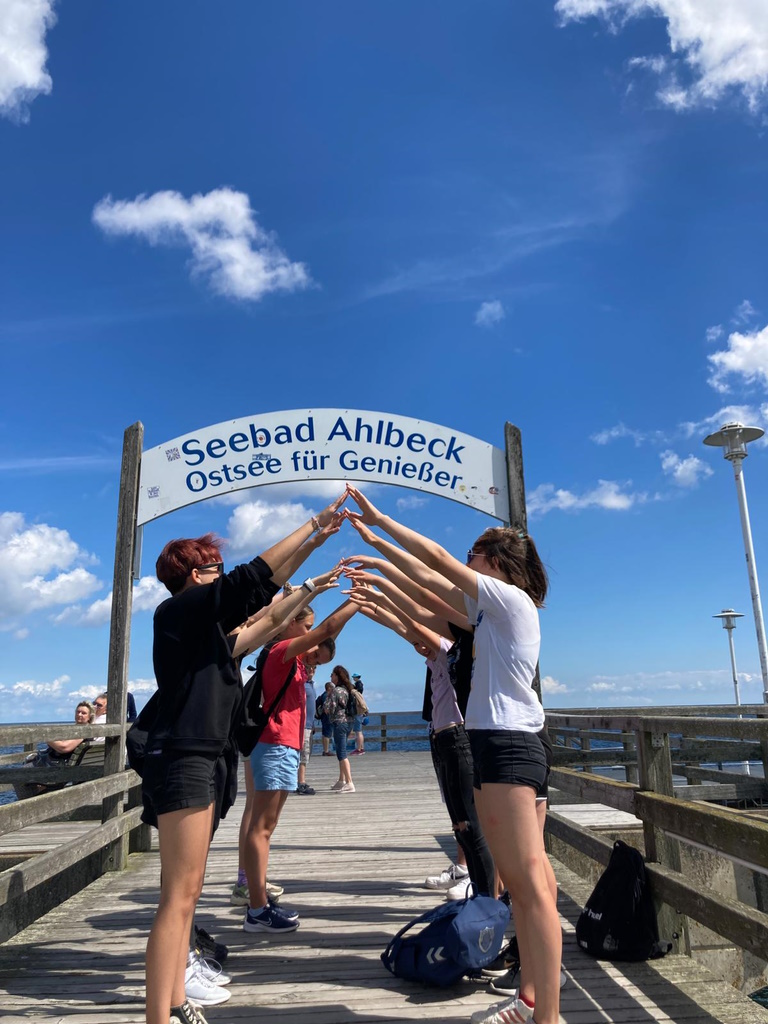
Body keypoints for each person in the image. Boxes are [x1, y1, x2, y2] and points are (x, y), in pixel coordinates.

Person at [344, 485, 561, 1024]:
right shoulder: (486, 615)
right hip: (493, 742)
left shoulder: (511, 602)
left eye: (475, 554)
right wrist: (377, 555)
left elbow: (436, 562)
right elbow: (426, 588)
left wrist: (380, 520)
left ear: (497, 564)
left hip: (512, 744)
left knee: (531, 885)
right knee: (522, 877)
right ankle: (531, 996)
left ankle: (548, 1015)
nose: (466, 561)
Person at [142, 493, 347, 1024]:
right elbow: (251, 581)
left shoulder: (209, 635)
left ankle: (176, 1000)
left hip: (208, 758)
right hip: (184, 759)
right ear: (192, 573)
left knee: (186, 895)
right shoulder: (177, 611)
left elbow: (269, 616)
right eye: (214, 567)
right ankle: (159, 1015)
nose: (222, 573)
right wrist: (311, 524)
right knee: (176, 897)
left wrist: (313, 570)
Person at [243, 599, 359, 935]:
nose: (312, 651)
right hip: (275, 743)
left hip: (286, 747)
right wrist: (357, 602)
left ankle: (259, 899)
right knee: (261, 828)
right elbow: (327, 630)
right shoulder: (281, 650)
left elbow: (325, 636)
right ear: (291, 622)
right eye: (306, 628)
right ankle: (256, 909)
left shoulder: (295, 662)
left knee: (268, 826)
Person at [323, 665, 357, 792]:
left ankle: (349, 782)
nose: (331, 676)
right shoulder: (348, 689)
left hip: (339, 723)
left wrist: (327, 699)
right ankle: (341, 780)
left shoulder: (336, 691)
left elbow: (329, 709)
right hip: (349, 722)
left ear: (337, 676)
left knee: (341, 753)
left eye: (332, 674)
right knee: (341, 750)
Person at [347, 673, 366, 754]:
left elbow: (359, 703)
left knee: (358, 731)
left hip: (357, 712)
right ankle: (361, 748)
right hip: (360, 712)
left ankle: (359, 749)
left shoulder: (355, 693)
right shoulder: (358, 690)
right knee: (359, 731)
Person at [316, 681, 334, 754]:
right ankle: (326, 751)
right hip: (327, 717)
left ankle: (325, 750)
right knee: (327, 734)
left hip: (324, 717)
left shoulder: (323, 694)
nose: (333, 689)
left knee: (324, 733)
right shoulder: (326, 695)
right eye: (332, 687)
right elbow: (326, 707)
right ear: (329, 688)